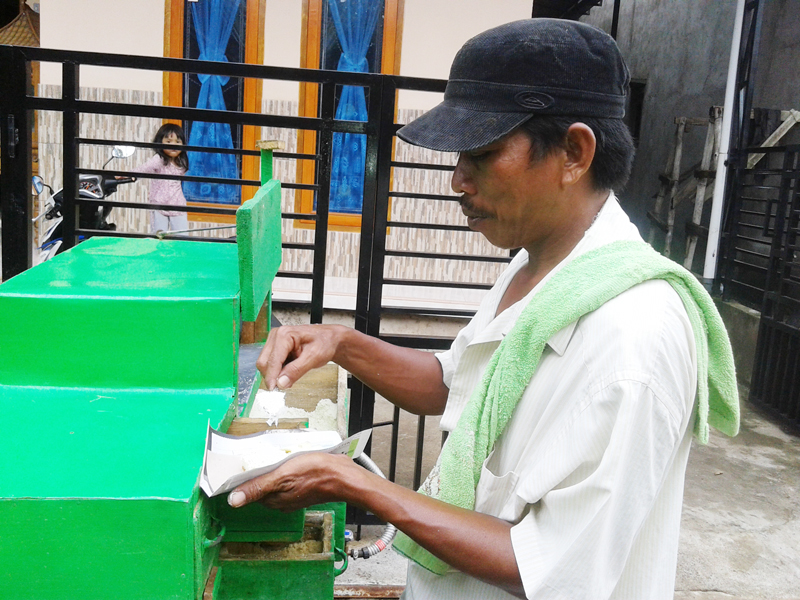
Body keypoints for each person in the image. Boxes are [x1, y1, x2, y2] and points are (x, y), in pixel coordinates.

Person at [227, 19, 739, 600]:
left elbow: (549, 566)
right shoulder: (538, 269)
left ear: (574, 152)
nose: (456, 180)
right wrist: (341, 343)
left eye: (483, 153)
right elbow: (459, 384)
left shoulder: (633, 338)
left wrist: (359, 486)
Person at [135, 123, 189, 234]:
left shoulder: (182, 161)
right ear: (160, 143)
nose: (173, 145)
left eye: (178, 142)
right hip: (159, 204)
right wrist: (125, 175)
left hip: (177, 204)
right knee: (159, 236)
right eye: (168, 142)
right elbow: (144, 169)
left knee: (182, 238)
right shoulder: (159, 159)